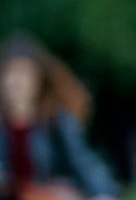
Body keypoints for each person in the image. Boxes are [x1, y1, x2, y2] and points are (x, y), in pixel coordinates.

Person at [0, 33, 118, 200]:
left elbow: (84, 163)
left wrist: (103, 194)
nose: (16, 82)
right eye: (10, 73)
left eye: (23, 73)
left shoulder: (55, 121)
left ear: (38, 79)